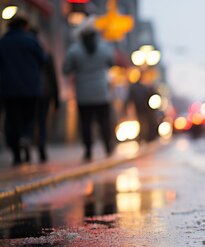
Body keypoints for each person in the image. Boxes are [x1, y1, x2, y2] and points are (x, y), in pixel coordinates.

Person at [63, 27, 114, 161]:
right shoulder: (104, 48)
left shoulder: (74, 50)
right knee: (104, 121)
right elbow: (111, 62)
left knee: (86, 122)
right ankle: (108, 146)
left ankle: (88, 150)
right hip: (101, 91)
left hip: (83, 92)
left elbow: (66, 69)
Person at [0, 15, 45, 166]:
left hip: (9, 88)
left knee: (12, 120)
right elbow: (43, 60)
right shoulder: (31, 41)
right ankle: (26, 137)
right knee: (29, 117)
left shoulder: (3, 42)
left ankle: (16, 154)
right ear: (24, 26)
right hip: (30, 87)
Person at [31, 28, 59, 163]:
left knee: (27, 120)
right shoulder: (44, 53)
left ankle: (25, 149)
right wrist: (57, 99)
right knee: (41, 121)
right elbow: (53, 77)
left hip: (25, 92)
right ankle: (41, 145)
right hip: (44, 91)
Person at [126, 71, 158, 142]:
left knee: (141, 123)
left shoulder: (134, 87)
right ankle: (145, 137)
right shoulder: (144, 87)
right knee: (144, 123)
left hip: (139, 107)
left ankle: (142, 138)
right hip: (144, 108)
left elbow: (129, 99)